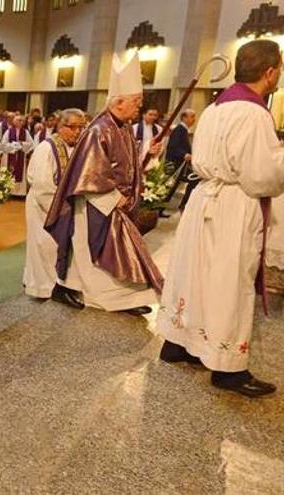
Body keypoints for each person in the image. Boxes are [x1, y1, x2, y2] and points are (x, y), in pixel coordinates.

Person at [157, 39, 284, 398]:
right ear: (269, 71)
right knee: (230, 281)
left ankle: (178, 343)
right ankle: (228, 369)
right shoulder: (254, 113)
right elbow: (261, 174)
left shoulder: (215, 107)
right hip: (233, 203)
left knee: (194, 274)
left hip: (204, 199)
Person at [45, 52, 163, 315]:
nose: (139, 107)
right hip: (97, 205)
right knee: (99, 255)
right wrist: (114, 198)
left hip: (114, 205)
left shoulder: (121, 127)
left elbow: (126, 166)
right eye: (136, 102)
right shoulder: (99, 129)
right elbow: (90, 174)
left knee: (121, 252)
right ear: (119, 102)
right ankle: (99, 296)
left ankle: (125, 298)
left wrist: (148, 154)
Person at [23, 109, 85, 299]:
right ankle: (44, 288)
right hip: (44, 206)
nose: (77, 132)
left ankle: (57, 283)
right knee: (44, 245)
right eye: (72, 127)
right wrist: (62, 208)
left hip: (62, 206)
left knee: (57, 248)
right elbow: (42, 184)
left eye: (81, 127)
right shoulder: (46, 148)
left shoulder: (76, 148)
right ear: (60, 126)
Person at [163, 109, 198, 210]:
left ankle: (164, 208)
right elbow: (173, 146)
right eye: (192, 116)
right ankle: (159, 209)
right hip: (174, 163)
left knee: (172, 187)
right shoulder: (179, 129)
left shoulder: (184, 130)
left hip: (180, 164)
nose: (194, 119)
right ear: (184, 117)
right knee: (168, 187)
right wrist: (184, 154)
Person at [0, 115, 32, 196]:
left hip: (20, 155)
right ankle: (8, 191)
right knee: (9, 172)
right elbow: (3, 144)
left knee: (19, 173)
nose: (20, 122)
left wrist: (21, 144)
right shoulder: (8, 131)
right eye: (18, 120)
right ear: (14, 121)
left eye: (21, 120)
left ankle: (19, 192)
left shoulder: (25, 132)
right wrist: (14, 146)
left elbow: (31, 144)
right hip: (9, 156)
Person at [133, 107, 164, 171]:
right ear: (144, 115)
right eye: (150, 114)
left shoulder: (159, 129)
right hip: (138, 157)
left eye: (155, 115)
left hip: (152, 158)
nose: (153, 117)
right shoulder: (134, 128)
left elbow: (161, 145)